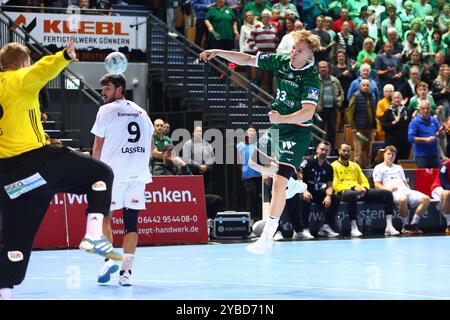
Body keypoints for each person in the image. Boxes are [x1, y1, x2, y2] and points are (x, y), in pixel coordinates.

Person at [0, 39, 121, 300]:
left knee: (14, 241)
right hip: (36, 164)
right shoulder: (20, 78)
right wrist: (63, 56)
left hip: (12, 182)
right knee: (101, 174)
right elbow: (41, 71)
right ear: (23, 63)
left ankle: (4, 291)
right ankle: (92, 235)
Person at [200, 29, 321, 254]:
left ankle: (267, 236)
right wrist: (218, 52)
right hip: (278, 126)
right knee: (255, 162)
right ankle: (292, 184)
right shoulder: (282, 61)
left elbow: (307, 112)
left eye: (300, 50)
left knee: (277, 183)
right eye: (294, 48)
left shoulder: (311, 78)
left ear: (310, 55)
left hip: (296, 132)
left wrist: (281, 118)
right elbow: (247, 59)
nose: (294, 52)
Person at [91, 74, 153, 287]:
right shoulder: (142, 112)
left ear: (119, 89)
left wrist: (93, 172)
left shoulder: (105, 111)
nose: (103, 93)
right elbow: (151, 146)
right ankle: (126, 273)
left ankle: (110, 260)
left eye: (106, 88)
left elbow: (97, 145)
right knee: (131, 224)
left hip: (113, 175)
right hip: (138, 175)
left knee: (104, 218)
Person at [331, 143, 399, 237]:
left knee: (386, 194)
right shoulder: (333, 166)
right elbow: (335, 185)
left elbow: (364, 180)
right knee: (351, 194)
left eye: (348, 151)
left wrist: (364, 188)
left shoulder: (355, 166)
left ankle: (389, 226)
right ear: (339, 151)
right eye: (344, 150)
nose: (346, 152)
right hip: (344, 192)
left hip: (360, 191)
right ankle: (354, 227)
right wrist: (354, 188)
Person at [373, 146, 430, 235]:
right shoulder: (378, 167)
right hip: (392, 192)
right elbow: (377, 185)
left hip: (405, 190)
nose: (391, 156)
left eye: (393, 154)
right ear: (384, 154)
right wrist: (387, 189)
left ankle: (414, 224)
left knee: (426, 199)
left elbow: (404, 182)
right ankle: (405, 226)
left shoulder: (399, 167)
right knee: (403, 199)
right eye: (388, 154)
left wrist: (408, 189)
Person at [298, 141, 340, 238]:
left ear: (329, 152)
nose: (324, 152)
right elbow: (299, 176)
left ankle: (325, 226)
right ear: (317, 150)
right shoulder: (307, 161)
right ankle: (305, 228)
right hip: (305, 190)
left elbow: (330, 185)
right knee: (305, 199)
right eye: (322, 149)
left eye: (326, 150)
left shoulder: (329, 167)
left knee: (335, 199)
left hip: (318, 192)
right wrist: (304, 190)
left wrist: (328, 196)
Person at [431, 158, 450, 233]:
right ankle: (449, 224)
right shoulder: (445, 165)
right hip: (438, 188)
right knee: (447, 193)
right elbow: (444, 184)